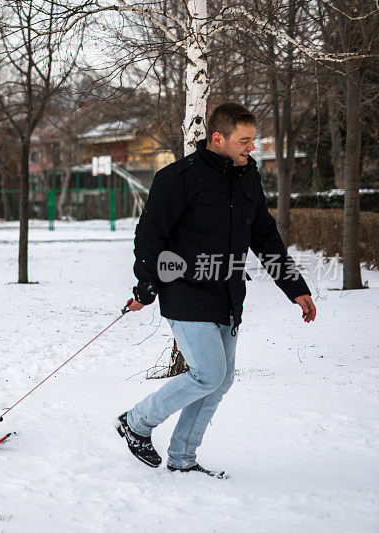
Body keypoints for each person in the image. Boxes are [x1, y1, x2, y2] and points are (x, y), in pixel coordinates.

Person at [116, 103, 317, 478]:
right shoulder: (178, 177)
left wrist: (295, 287)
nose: (251, 148)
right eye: (244, 140)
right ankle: (136, 422)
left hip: (228, 293)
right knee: (208, 373)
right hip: (184, 290)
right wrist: (146, 286)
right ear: (218, 138)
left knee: (219, 381)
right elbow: (150, 234)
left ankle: (182, 458)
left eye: (253, 140)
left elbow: (264, 236)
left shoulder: (247, 178)